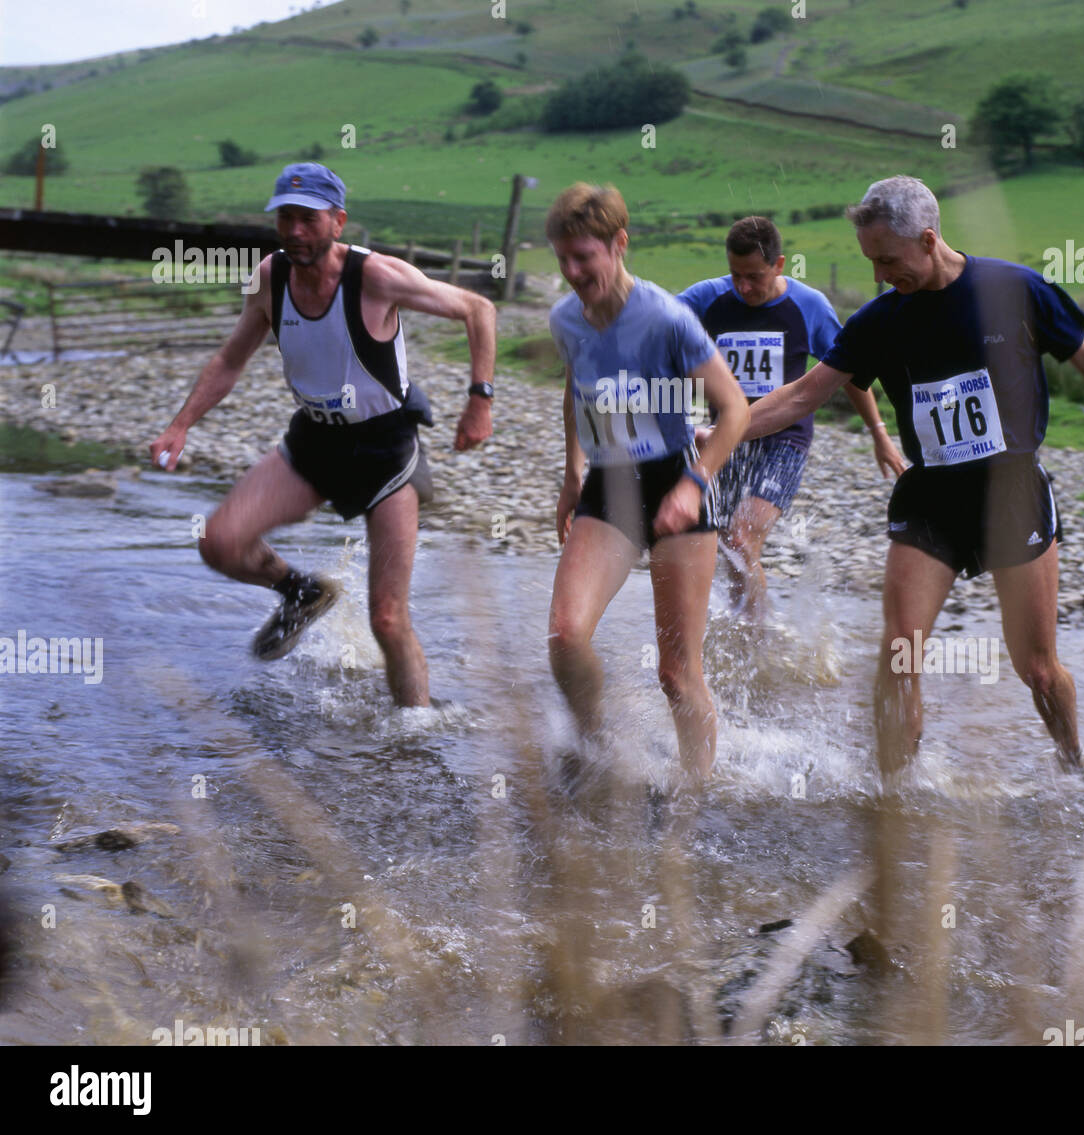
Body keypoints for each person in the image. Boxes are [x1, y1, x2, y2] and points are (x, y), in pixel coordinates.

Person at [738, 175, 1084, 775]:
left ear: (928, 239)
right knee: (899, 654)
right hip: (931, 499)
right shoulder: (882, 319)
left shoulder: (1012, 289)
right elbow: (803, 395)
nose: (878, 275)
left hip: (1012, 495)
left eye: (888, 260)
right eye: (870, 261)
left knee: (1036, 667)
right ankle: (893, 799)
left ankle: (1074, 761)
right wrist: (720, 431)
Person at [149, 162, 496, 707]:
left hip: (386, 451)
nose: (294, 231)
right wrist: (180, 424)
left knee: (387, 616)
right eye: (285, 218)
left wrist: (480, 401)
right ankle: (302, 593)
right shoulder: (269, 277)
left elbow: (479, 309)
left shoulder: (377, 276)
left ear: (338, 221)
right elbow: (230, 359)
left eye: (308, 219)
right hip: (314, 442)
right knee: (218, 543)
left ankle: (417, 727)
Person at [546, 184, 748, 778]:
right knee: (564, 637)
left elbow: (734, 410)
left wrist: (694, 483)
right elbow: (574, 388)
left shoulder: (665, 318)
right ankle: (595, 750)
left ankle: (696, 791)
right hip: (608, 486)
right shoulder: (565, 320)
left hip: (673, 481)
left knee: (676, 673)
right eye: (563, 259)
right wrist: (571, 472)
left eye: (585, 257)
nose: (574, 272)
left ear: (619, 243)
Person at [679, 216, 905, 621]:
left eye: (754, 276)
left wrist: (879, 433)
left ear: (779, 264)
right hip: (725, 439)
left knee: (741, 536)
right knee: (725, 546)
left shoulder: (808, 306)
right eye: (735, 276)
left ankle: (759, 637)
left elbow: (850, 371)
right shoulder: (706, 299)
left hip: (785, 440)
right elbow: (656, 326)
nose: (744, 287)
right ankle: (745, 633)